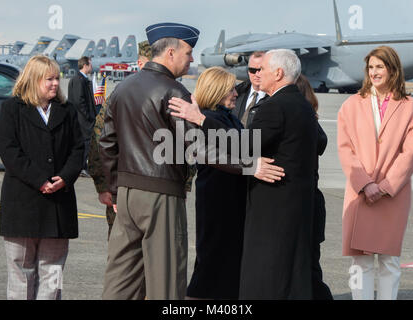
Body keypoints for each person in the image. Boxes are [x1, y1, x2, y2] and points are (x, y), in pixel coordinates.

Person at [100, 23, 283, 300]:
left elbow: (107, 143)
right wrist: (250, 165)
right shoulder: (174, 92)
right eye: (189, 52)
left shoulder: (123, 88)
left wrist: (113, 188)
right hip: (160, 194)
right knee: (167, 281)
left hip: (125, 195)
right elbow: (198, 148)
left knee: (121, 280)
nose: (192, 59)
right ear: (171, 52)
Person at [169, 49, 318, 299]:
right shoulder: (300, 104)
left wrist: (202, 119)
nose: (257, 76)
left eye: (263, 70)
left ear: (278, 73)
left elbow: (244, 144)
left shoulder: (273, 107)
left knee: (260, 270)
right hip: (232, 199)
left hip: (261, 203)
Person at [0, 55, 84, 300]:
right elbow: (9, 151)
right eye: (49, 79)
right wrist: (40, 180)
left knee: (53, 273)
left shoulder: (67, 111)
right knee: (21, 274)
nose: (56, 83)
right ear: (34, 80)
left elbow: (78, 149)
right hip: (22, 205)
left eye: (57, 78)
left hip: (58, 206)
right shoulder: (12, 109)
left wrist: (65, 178)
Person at [337, 46, 413, 300]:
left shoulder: (409, 106)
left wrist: (384, 186)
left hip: (392, 195)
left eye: (380, 67)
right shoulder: (351, 105)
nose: (374, 72)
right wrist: (365, 183)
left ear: (392, 69)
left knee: (389, 261)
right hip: (360, 193)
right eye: (371, 67)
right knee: (360, 262)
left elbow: (411, 152)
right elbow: (345, 149)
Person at [185, 67, 247, 300]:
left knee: (224, 258)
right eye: (231, 89)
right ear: (218, 90)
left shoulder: (226, 116)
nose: (235, 93)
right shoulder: (209, 118)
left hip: (230, 196)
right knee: (212, 257)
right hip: (217, 198)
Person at [87, 40, 152, 240]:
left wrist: (183, 186)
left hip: (158, 190)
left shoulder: (172, 96)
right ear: (140, 65)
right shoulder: (120, 95)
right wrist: (103, 185)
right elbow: (98, 140)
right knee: (121, 251)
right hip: (122, 188)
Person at [295, 74, 333, 300]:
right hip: (313, 202)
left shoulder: (306, 126)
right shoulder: (314, 125)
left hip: (305, 205)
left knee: (308, 268)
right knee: (310, 265)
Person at [67, 56, 96, 177]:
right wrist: (88, 116)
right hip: (82, 119)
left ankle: (82, 166)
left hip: (81, 118)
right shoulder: (79, 80)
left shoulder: (80, 79)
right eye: (90, 64)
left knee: (83, 142)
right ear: (85, 65)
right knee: (86, 142)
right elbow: (79, 101)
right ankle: (82, 167)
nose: (91, 66)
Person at [232, 51, 267, 127]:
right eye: (252, 70)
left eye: (261, 70)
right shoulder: (237, 93)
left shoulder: (276, 97)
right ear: (248, 71)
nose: (257, 74)